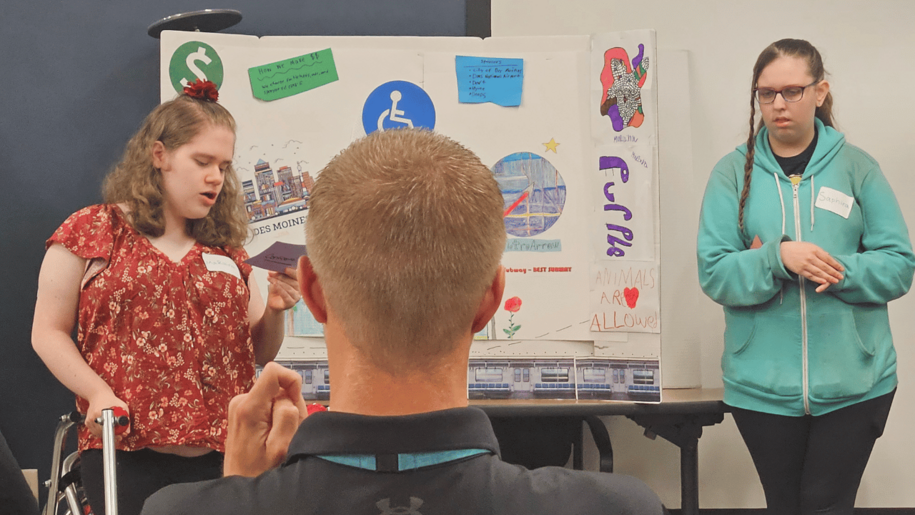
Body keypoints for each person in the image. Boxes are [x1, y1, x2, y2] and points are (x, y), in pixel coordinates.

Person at [140, 128, 664, 515]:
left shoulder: (178, 511)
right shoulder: (620, 507)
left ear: (313, 293)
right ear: (491, 299)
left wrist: (238, 498)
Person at [31, 80, 301, 515]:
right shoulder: (93, 230)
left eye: (223, 166)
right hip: (125, 450)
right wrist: (97, 393)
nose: (215, 176)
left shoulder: (228, 250)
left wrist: (274, 310)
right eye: (202, 161)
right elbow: (47, 332)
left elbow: (256, 352)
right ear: (159, 156)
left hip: (223, 455)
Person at [697, 39, 915, 514]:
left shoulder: (859, 169)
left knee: (825, 504)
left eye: (793, 90)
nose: (778, 104)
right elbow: (714, 273)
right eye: (766, 93)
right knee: (785, 505)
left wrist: (834, 268)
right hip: (760, 389)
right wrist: (777, 258)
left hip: (857, 385)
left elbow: (899, 265)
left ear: (820, 92)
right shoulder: (731, 175)